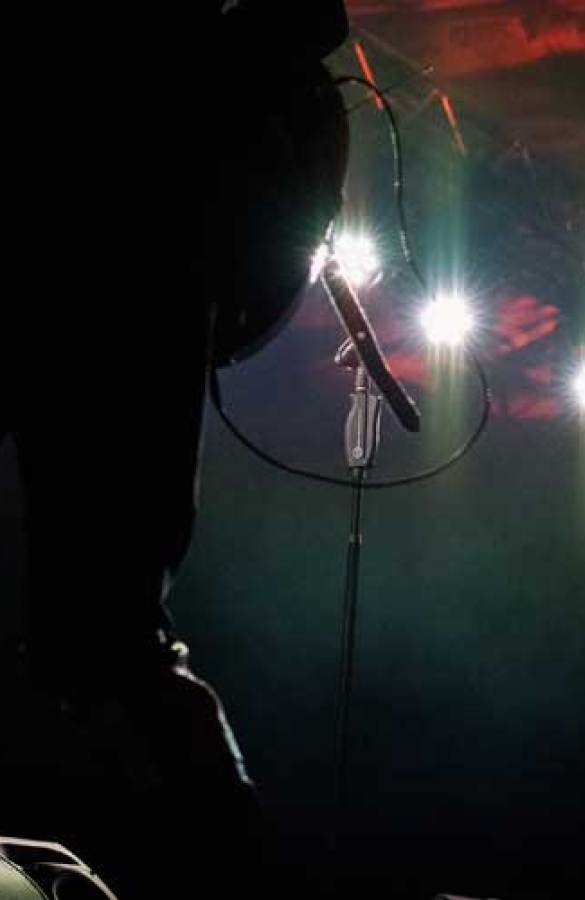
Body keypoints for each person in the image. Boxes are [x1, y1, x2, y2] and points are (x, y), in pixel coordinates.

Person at [1, 4, 348, 898]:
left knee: (108, 635)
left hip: (134, 274)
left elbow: (304, 29)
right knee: (111, 637)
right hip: (137, 273)